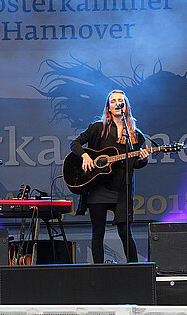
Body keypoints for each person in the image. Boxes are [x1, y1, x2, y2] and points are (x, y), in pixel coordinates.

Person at [69, 90, 148, 263]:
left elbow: (135, 164)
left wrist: (143, 159)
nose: (117, 103)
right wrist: (85, 156)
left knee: (125, 232)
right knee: (98, 232)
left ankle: (136, 270)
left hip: (121, 189)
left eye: (121, 100)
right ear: (109, 107)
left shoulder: (135, 134)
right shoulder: (99, 128)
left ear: (126, 106)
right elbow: (74, 144)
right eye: (113, 101)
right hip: (98, 187)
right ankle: (99, 272)